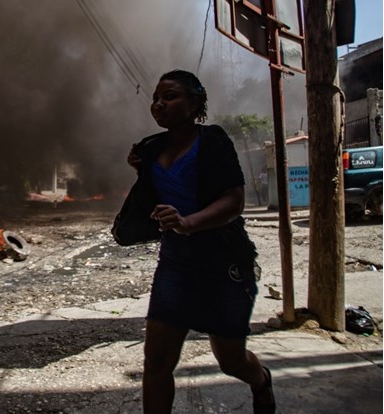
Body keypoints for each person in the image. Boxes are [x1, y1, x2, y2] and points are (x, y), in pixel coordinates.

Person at [126, 70, 275, 414]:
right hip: (176, 262)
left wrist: (187, 222)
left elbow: (234, 201)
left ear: (195, 102)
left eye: (170, 96)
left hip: (223, 262)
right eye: (156, 98)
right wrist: (140, 173)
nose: (159, 104)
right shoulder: (150, 149)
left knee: (231, 361)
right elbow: (153, 196)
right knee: (157, 361)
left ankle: (261, 380)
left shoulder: (213, 140)